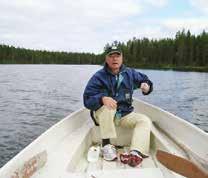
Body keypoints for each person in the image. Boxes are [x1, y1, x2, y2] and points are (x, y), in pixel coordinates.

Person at [83, 45, 153, 167]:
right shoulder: (98, 77)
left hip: (124, 114)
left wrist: (146, 87)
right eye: (111, 56)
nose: (115, 59)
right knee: (108, 107)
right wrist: (101, 98)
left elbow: (146, 81)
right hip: (103, 115)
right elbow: (87, 100)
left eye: (117, 56)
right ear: (106, 59)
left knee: (144, 120)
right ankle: (106, 145)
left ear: (122, 58)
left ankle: (136, 152)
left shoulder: (130, 74)